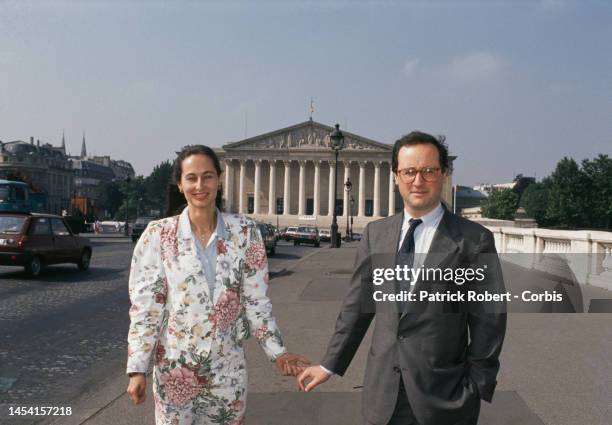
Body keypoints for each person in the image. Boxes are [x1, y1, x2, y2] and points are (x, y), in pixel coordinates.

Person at [298, 131, 507, 425]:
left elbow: (490, 320)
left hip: (445, 397)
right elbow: (357, 308)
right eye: (409, 171)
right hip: (382, 394)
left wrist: (476, 385)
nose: (418, 181)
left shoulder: (474, 240)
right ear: (396, 176)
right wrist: (329, 364)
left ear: (444, 174)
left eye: (428, 171)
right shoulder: (376, 234)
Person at [126, 145, 309, 424]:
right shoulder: (158, 235)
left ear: (220, 179)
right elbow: (146, 309)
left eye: (207, 176)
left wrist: (278, 353)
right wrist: (137, 368)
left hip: (227, 372)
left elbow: (256, 303)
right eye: (191, 178)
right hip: (176, 373)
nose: (200, 185)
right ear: (180, 184)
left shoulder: (245, 232)